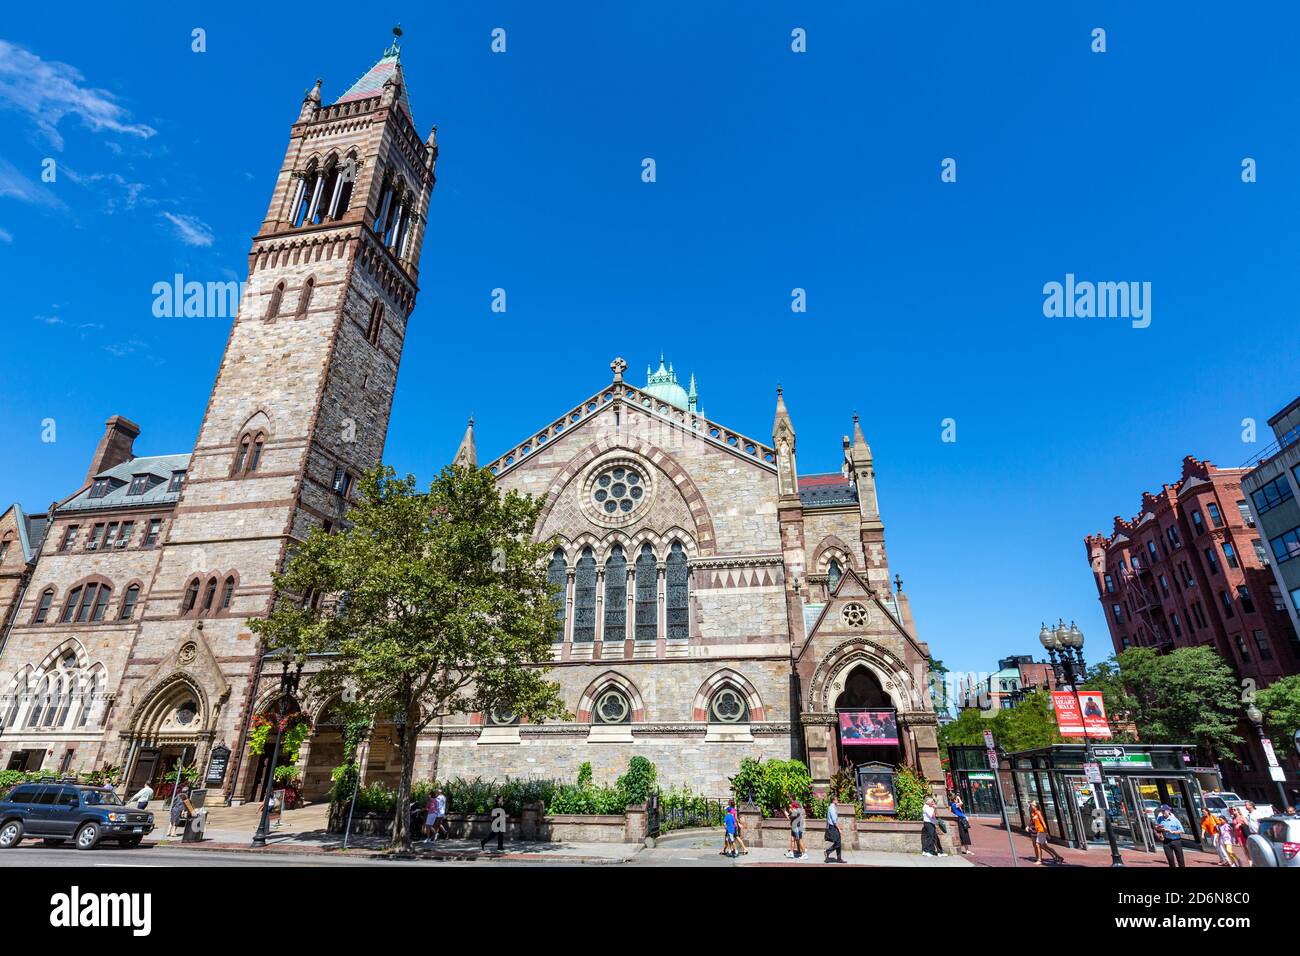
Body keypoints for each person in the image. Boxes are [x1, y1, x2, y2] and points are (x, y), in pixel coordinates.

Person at [1028, 800, 1063, 864]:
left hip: (1041, 830)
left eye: (1032, 805)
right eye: (1031, 805)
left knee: (1037, 844)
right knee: (1044, 846)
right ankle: (1059, 857)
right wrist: (1028, 826)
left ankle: (1039, 860)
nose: (1031, 806)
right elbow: (1032, 821)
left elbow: (1043, 823)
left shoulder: (1038, 812)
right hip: (1038, 831)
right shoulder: (1034, 813)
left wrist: (1046, 833)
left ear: (1036, 806)